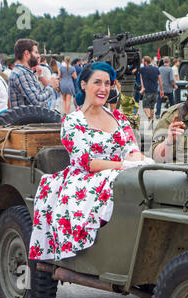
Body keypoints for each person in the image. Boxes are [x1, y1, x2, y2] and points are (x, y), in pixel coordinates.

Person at [28, 62, 153, 261]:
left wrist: (136, 161)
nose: (103, 89)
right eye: (97, 82)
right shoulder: (73, 121)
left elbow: (132, 149)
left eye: (107, 83)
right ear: (84, 84)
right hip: (86, 179)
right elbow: (88, 163)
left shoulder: (119, 118)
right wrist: (128, 165)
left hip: (120, 173)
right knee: (117, 179)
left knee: (151, 174)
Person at [8, 38, 59, 108]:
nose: (39, 56)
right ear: (26, 54)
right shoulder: (22, 73)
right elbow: (38, 102)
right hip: (27, 118)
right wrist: (51, 86)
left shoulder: (22, 72)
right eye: (36, 52)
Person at [140, 56, 164, 129]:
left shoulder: (143, 69)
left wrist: (142, 87)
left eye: (143, 61)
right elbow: (160, 80)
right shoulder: (156, 69)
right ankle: (151, 122)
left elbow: (140, 78)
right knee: (152, 107)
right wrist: (162, 90)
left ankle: (149, 117)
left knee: (145, 107)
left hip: (147, 91)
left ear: (145, 62)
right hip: (155, 91)